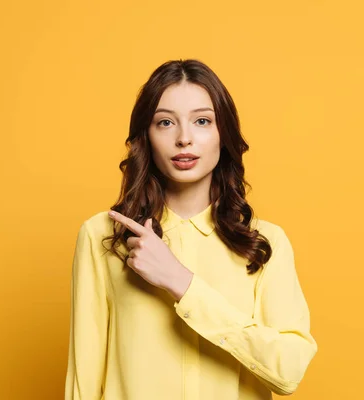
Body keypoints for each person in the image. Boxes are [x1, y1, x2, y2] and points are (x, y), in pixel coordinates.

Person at [64, 59, 317, 400]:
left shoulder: (265, 243)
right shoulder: (102, 237)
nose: (184, 139)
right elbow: (85, 378)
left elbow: (289, 371)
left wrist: (182, 284)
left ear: (222, 134)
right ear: (146, 137)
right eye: (165, 122)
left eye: (202, 121)